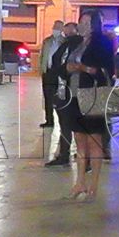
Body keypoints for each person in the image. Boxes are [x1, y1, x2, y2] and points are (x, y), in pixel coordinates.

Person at [63, 9, 115, 199]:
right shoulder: (77, 43)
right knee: (79, 140)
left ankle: (94, 185)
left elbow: (105, 71)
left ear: (94, 24)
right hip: (76, 94)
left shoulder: (103, 42)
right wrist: (70, 68)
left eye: (85, 22)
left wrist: (82, 67)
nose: (81, 25)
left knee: (94, 140)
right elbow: (66, 64)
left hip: (94, 94)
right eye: (80, 21)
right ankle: (80, 182)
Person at [45, 22, 81, 167]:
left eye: (69, 30)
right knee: (65, 123)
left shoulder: (78, 45)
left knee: (75, 124)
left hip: (74, 89)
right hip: (62, 88)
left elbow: (68, 65)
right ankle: (64, 154)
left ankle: (82, 155)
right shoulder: (64, 45)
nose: (65, 32)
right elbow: (56, 63)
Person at [37, 20, 65, 129]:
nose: (55, 29)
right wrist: (41, 68)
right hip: (47, 72)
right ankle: (49, 120)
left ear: (62, 29)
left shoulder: (64, 42)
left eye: (58, 27)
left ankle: (62, 120)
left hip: (58, 73)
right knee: (47, 96)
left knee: (58, 96)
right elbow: (42, 56)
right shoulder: (47, 41)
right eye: (54, 26)